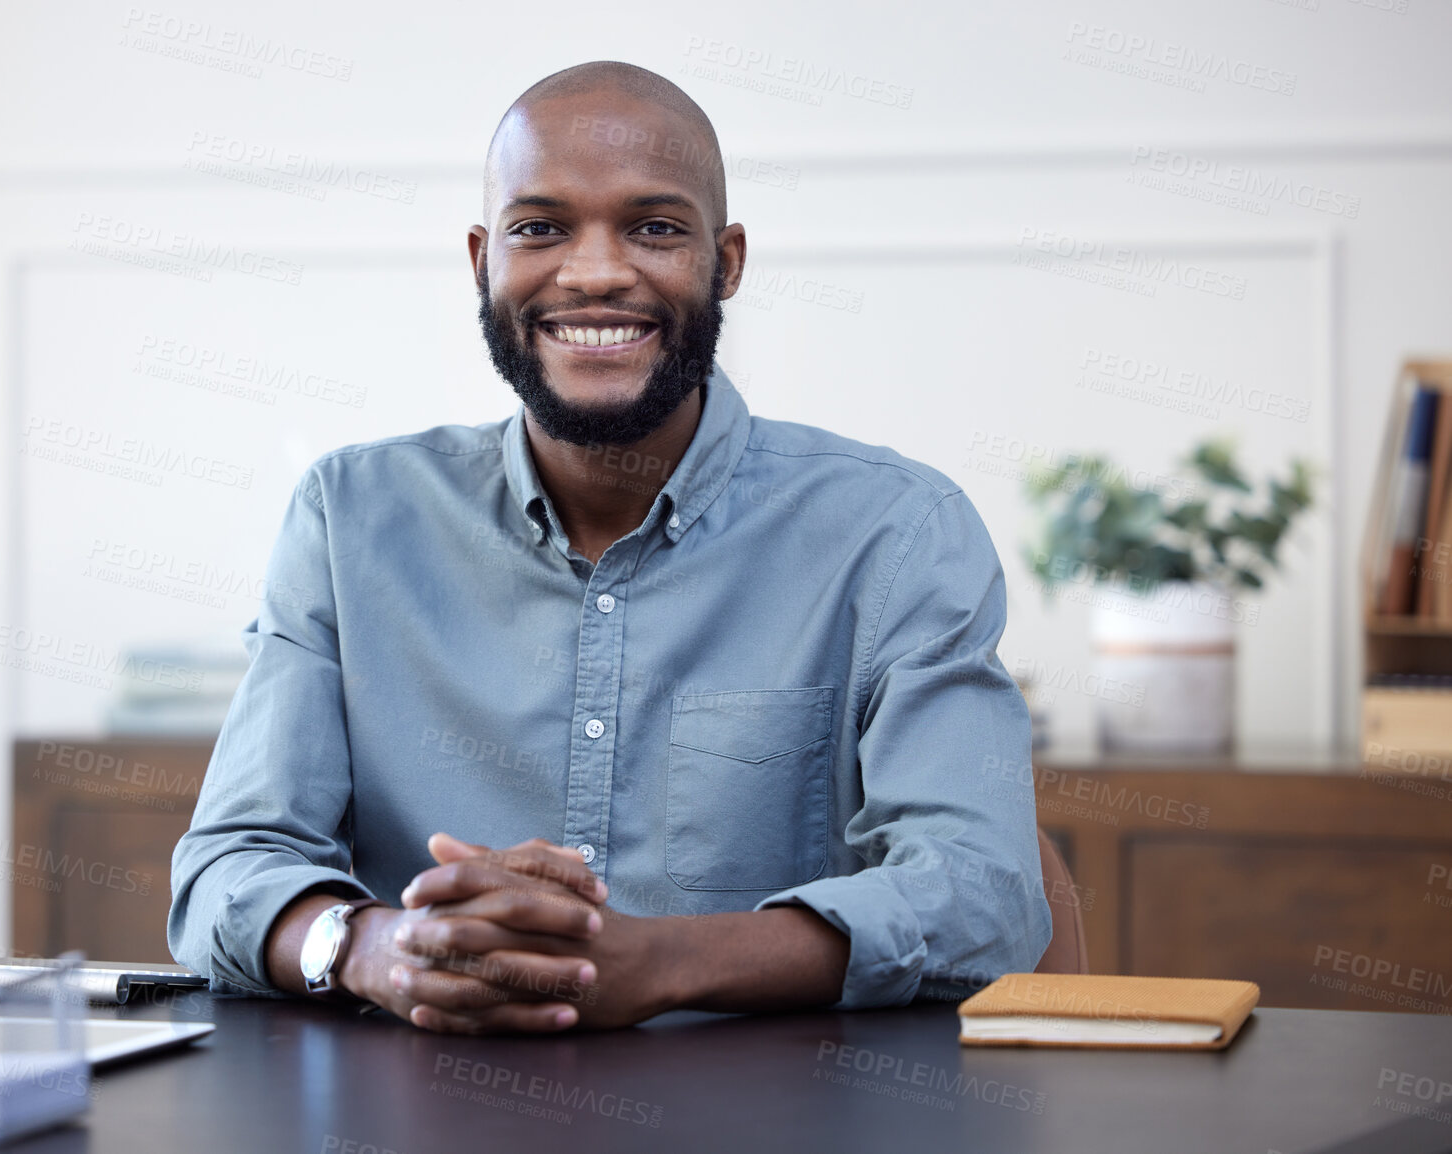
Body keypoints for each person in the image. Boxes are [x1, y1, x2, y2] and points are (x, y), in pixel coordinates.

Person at [168, 60, 1050, 1033]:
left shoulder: (898, 533)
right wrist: (376, 947)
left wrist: (661, 958)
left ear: (727, 263)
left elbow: (985, 898)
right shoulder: (349, 518)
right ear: (481, 260)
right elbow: (226, 868)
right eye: (539, 227)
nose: (592, 272)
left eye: (654, 227)